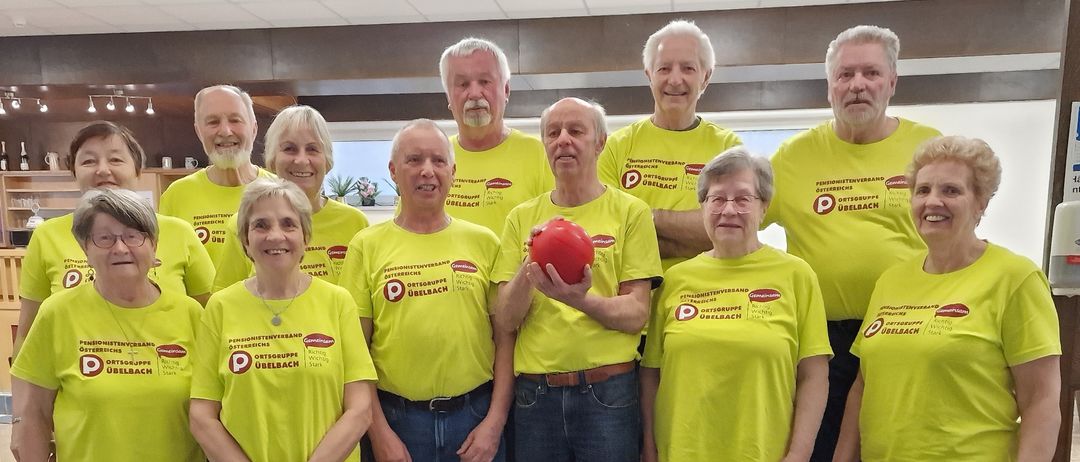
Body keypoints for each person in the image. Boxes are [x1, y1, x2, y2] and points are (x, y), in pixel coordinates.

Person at [763, 25, 942, 460]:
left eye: (870, 73)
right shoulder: (792, 157)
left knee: (898, 447)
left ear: (892, 82)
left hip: (909, 330)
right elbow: (730, 218)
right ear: (829, 87)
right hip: (822, 344)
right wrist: (642, 221)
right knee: (824, 449)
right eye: (844, 75)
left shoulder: (929, 149)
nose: (857, 85)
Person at [834, 136, 1061, 461]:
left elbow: (1041, 401)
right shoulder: (891, 280)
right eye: (923, 190)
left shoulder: (1015, 278)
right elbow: (862, 386)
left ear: (980, 202)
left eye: (951, 191)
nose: (933, 202)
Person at [492, 98, 662, 462]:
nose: (563, 140)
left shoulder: (631, 212)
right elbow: (505, 319)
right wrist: (530, 265)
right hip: (536, 396)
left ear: (600, 142)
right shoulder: (521, 218)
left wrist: (579, 299)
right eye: (553, 133)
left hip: (609, 392)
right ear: (544, 145)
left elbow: (636, 313)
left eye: (576, 131)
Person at [640, 146, 831, 462]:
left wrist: (799, 453)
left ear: (764, 207)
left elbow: (814, 374)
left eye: (743, 199)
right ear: (703, 207)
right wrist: (650, 447)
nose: (728, 209)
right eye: (716, 199)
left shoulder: (796, 275)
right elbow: (651, 375)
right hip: (684, 452)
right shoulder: (674, 279)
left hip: (764, 452)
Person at [339, 119, 512, 462]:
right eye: (414, 160)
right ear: (393, 170)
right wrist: (379, 433)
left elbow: (505, 339)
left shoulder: (484, 242)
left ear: (453, 171)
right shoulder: (366, 246)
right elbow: (355, 353)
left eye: (438, 161)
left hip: (474, 418)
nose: (427, 171)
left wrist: (495, 422)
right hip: (396, 422)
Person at [189, 178, 377, 461]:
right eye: (260, 225)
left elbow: (360, 409)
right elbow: (202, 416)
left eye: (289, 224)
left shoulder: (338, 302)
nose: (275, 236)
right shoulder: (221, 307)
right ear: (245, 240)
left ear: (306, 238)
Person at [11, 188, 204, 462]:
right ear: (85, 249)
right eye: (104, 238)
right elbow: (34, 415)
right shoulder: (57, 313)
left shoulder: (191, 314)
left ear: (154, 246)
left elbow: (211, 411)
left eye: (133, 236)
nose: (121, 248)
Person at [15, 121, 214, 355]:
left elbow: (209, 324)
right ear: (74, 172)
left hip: (171, 373)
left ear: (138, 170)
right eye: (89, 161)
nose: (103, 170)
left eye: (116, 159)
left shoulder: (179, 232)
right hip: (76, 380)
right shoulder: (47, 236)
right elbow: (28, 334)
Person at [598, 19, 742, 270]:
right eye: (664, 68)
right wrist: (693, 236)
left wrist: (643, 220)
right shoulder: (616, 147)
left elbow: (726, 232)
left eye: (688, 68)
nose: (675, 80)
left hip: (705, 302)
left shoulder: (727, 147)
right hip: (629, 300)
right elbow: (608, 234)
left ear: (705, 77)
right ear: (649, 76)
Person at [213, 105, 369, 290]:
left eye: (312, 149)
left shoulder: (354, 224)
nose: (301, 160)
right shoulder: (244, 225)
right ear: (272, 159)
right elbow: (227, 302)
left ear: (327, 161)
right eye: (289, 149)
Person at [439, 37, 553, 236]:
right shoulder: (433, 161)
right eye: (463, 84)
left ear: (506, 89)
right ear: (448, 97)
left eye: (484, 82)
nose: (474, 93)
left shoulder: (542, 156)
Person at [159, 84, 274, 266]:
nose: (225, 131)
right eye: (213, 122)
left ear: (253, 128)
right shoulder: (176, 196)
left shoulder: (280, 192)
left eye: (235, 120)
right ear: (199, 132)